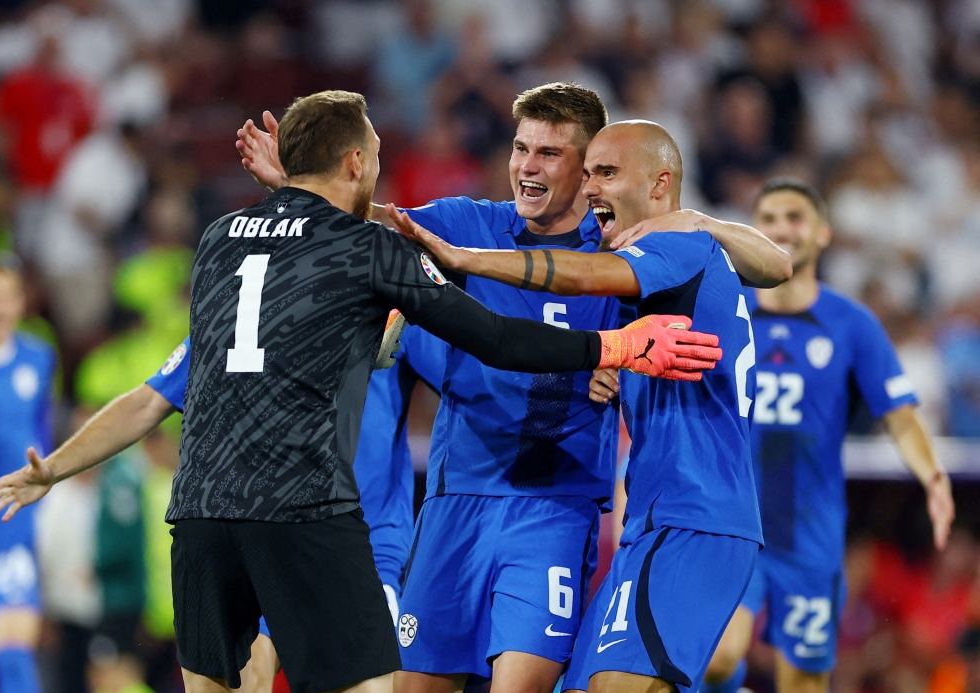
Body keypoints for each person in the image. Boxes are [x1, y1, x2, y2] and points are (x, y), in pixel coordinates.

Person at [236, 83, 790, 693]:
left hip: (554, 510)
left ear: (588, 173)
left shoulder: (619, 251)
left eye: (550, 154)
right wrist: (294, 189)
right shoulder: (471, 222)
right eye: (521, 148)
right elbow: (374, 219)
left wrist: (698, 228)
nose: (527, 166)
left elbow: (770, 265)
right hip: (456, 501)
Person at [388, 119, 780, 693]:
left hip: (692, 517)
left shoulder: (675, 246)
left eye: (607, 172)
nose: (591, 186)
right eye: (590, 172)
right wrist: (616, 366)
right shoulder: (674, 265)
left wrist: (468, 260)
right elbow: (774, 267)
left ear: (658, 183)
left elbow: (582, 276)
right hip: (654, 522)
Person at [0, 322, 449, 693]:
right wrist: (55, 468)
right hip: (264, 536)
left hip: (361, 546)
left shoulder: (385, 302)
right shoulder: (239, 310)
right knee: (250, 679)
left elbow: (467, 378)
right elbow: (149, 401)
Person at [679, 179, 953, 693]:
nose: (784, 229)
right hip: (737, 520)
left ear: (823, 233)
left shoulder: (851, 323)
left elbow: (898, 413)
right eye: (771, 219)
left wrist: (933, 477)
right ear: (753, 231)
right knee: (716, 657)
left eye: (796, 218)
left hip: (811, 532)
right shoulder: (726, 311)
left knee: (802, 681)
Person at [0, 258, 56, 693]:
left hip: (9, 525)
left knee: (13, 661)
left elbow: (41, 434)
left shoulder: (38, 357)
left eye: (7, 297)